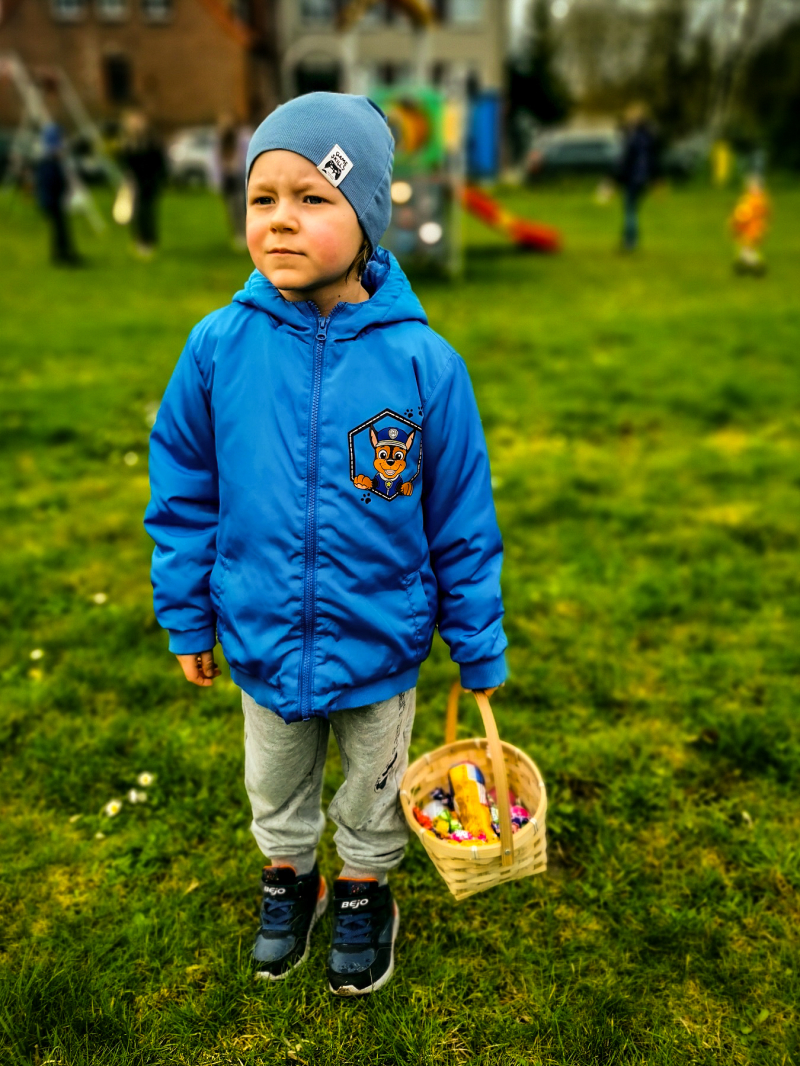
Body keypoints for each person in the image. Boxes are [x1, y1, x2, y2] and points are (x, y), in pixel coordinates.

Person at [144, 93, 507, 995]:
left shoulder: (425, 362)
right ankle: (288, 875)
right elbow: (184, 491)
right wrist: (189, 618)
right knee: (275, 783)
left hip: (382, 637)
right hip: (262, 632)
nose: (279, 221)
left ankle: (361, 887)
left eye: (311, 197)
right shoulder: (218, 348)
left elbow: (460, 518)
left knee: (373, 787)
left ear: (368, 215)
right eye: (262, 198)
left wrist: (477, 641)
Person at [118, 110, 166, 258]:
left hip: (149, 181)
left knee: (147, 211)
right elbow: (124, 162)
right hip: (134, 181)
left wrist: (159, 179)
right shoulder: (129, 143)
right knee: (136, 212)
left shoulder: (151, 141)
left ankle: (149, 240)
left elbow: (160, 162)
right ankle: (140, 240)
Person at [34, 123, 79, 266]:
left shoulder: (50, 161)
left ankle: (62, 254)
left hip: (53, 200)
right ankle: (62, 255)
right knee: (60, 228)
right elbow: (51, 183)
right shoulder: (48, 162)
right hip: (52, 201)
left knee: (60, 228)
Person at [616, 103, 659, 252]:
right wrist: (654, 179)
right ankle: (628, 239)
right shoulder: (648, 136)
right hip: (643, 178)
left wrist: (618, 177)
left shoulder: (633, 137)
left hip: (633, 177)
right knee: (632, 209)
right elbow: (653, 159)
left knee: (630, 210)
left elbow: (626, 160)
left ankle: (630, 242)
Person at [217, 114, 249, 250]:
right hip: (228, 180)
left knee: (241, 207)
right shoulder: (221, 144)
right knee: (231, 208)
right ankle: (237, 234)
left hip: (240, 178)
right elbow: (216, 163)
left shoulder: (242, 141)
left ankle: (244, 233)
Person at [730, 174, 770, 276]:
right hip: (747, 229)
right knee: (745, 248)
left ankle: (755, 266)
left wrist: (739, 217)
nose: (751, 189)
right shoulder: (750, 199)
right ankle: (743, 265)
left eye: (754, 187)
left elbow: (746, 213)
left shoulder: (757, 201)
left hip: (752, 230)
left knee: (748, 248)